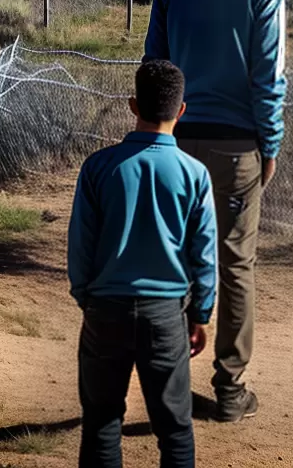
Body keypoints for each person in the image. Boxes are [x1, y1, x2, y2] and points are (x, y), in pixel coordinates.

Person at [144, 0, 286, 423]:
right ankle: (230, 387)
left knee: (175, 257)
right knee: (235, 263)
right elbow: (268, 75)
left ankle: (171, 382)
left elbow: (155, 66)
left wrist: (158, 133)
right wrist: (268, 143)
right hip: (238, 148)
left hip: (176, 141)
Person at [68, 60, 218, 468]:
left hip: (105, 309)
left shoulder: (98, 167)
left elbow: (80, 245)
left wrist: (88, 298)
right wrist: (201, 314)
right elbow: (204, 255)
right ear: (181, 110)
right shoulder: (195, 175)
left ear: (133, 105)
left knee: (101, 422)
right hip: (165, 315)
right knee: (174, 428)